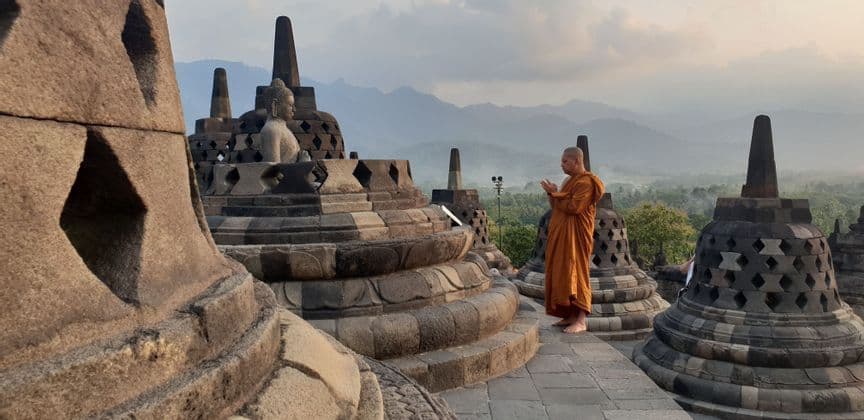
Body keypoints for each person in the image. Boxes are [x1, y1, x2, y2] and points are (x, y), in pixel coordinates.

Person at [540, 147, 604, 333]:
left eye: (565, 161)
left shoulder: (586, 183)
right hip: (563, 236)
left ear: (577, 161)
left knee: (578, 272)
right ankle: (569, 315)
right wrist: (552, 194)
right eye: (562, 162)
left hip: (577, 237)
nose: (562, 165)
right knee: (564, 273)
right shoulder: (569, 181)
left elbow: (574, 207)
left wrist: (555, 194)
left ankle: (581, 319)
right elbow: (558, 207)